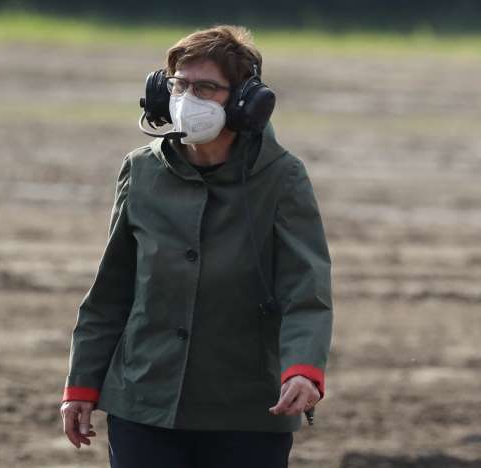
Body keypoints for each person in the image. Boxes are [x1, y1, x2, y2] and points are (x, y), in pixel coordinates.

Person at [60, 25, 333, 468]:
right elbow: (112, 290)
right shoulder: (141, 171)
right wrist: (81, 385)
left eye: (206, 87)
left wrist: (303, 368)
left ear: (246, 101)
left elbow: (307, 288)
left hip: (246, 411)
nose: (188, 99)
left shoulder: (282, 178)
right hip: (144, 403)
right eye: (179, 85)